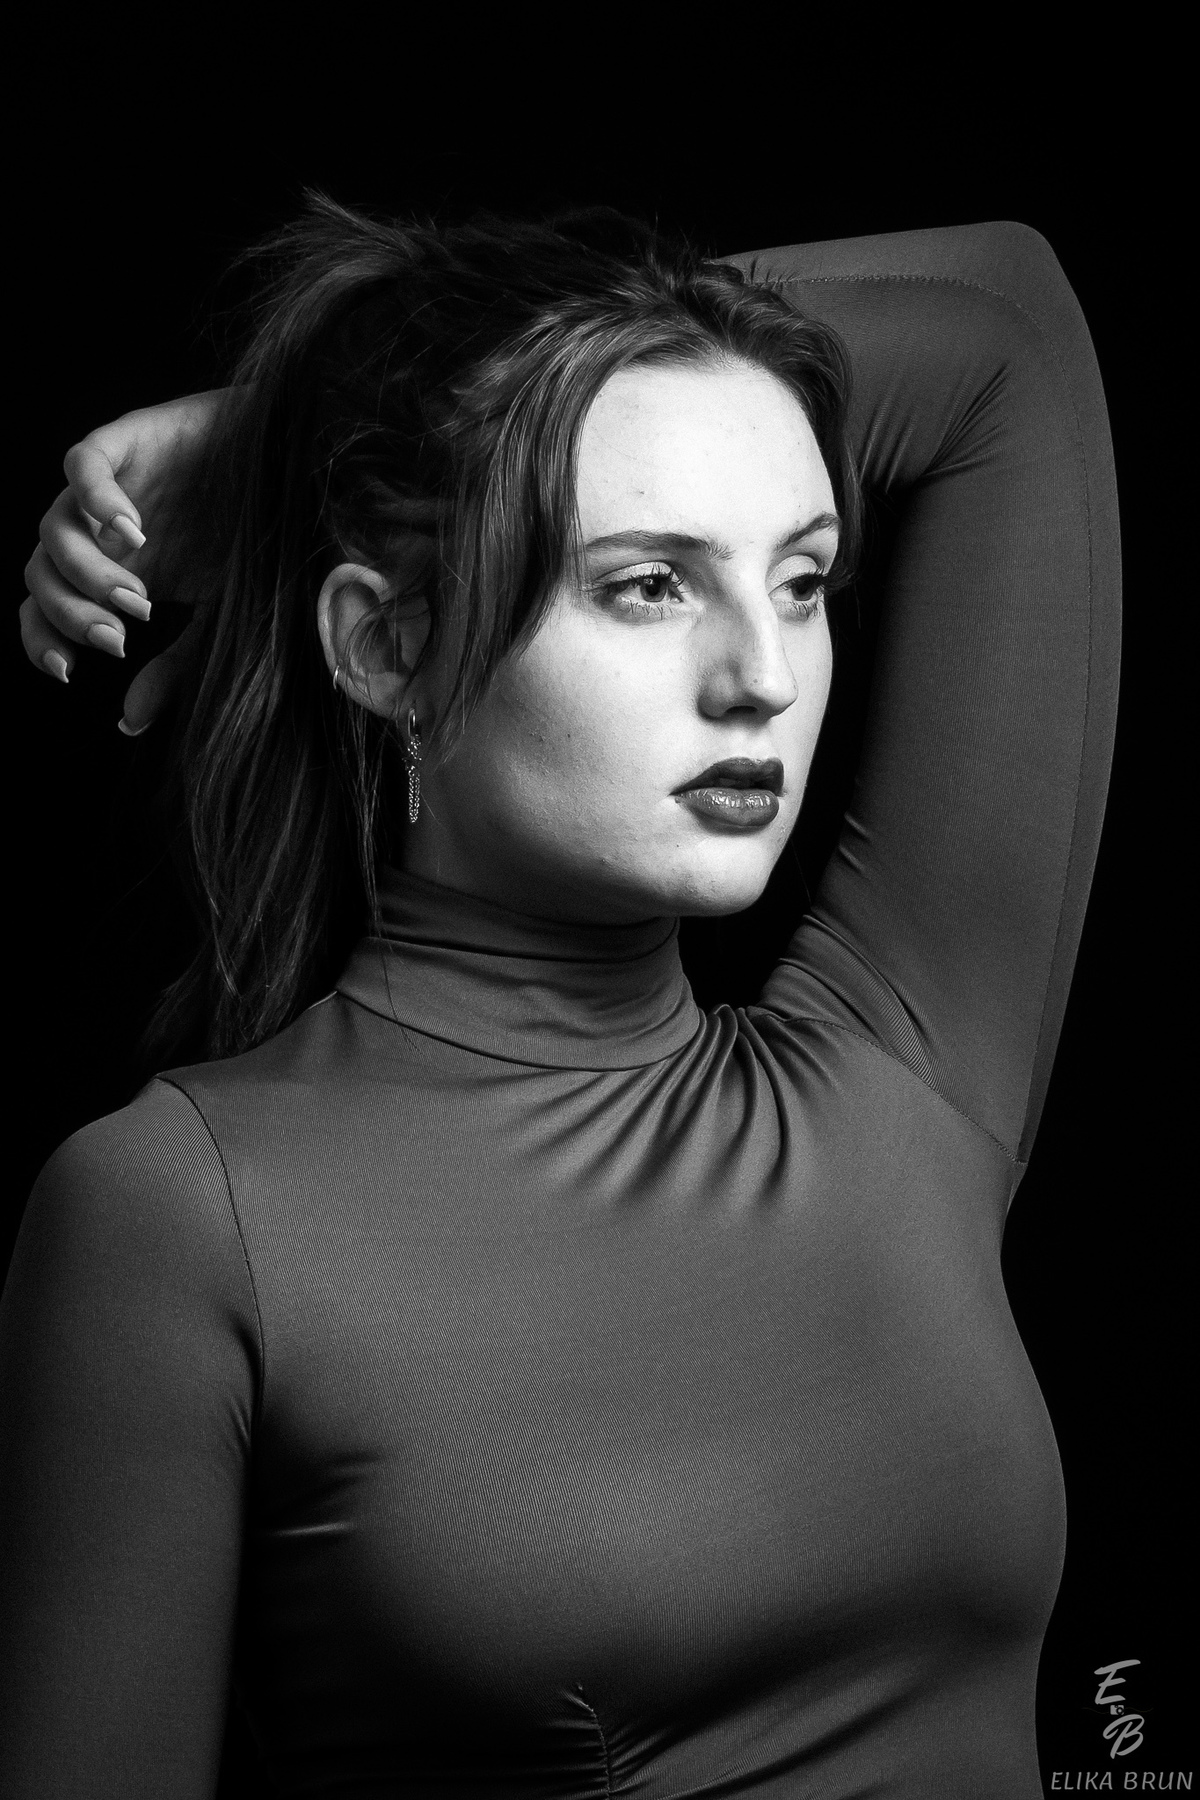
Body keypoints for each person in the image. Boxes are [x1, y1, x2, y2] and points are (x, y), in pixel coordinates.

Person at [1, 196, 1120, 1797]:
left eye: (802, 579)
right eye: (650, 584)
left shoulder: (902, 1077)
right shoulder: (180, 1215)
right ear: (386, 646)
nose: (763, 676)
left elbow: (1005, 329)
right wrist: (361, 429)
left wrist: (274, 425)